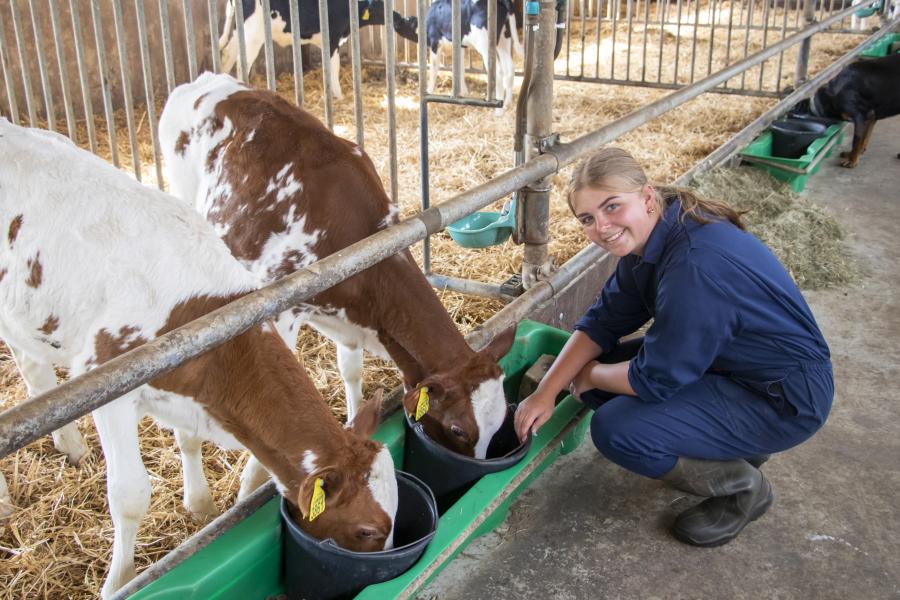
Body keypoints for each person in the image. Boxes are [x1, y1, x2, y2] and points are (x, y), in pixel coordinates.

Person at [514, 147, 833, 547]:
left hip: (783, 399)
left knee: (617, 429)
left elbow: (653, 381)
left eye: (612, 207)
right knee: (599, 373)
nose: (602, 227)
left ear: (647, 197)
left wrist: (583, 376)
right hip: (730, 365)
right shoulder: (655, 234)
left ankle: (744, 489)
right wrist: (547, 391)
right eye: (587, 219)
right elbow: (602, 322)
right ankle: (724, 444)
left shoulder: (696, 266)